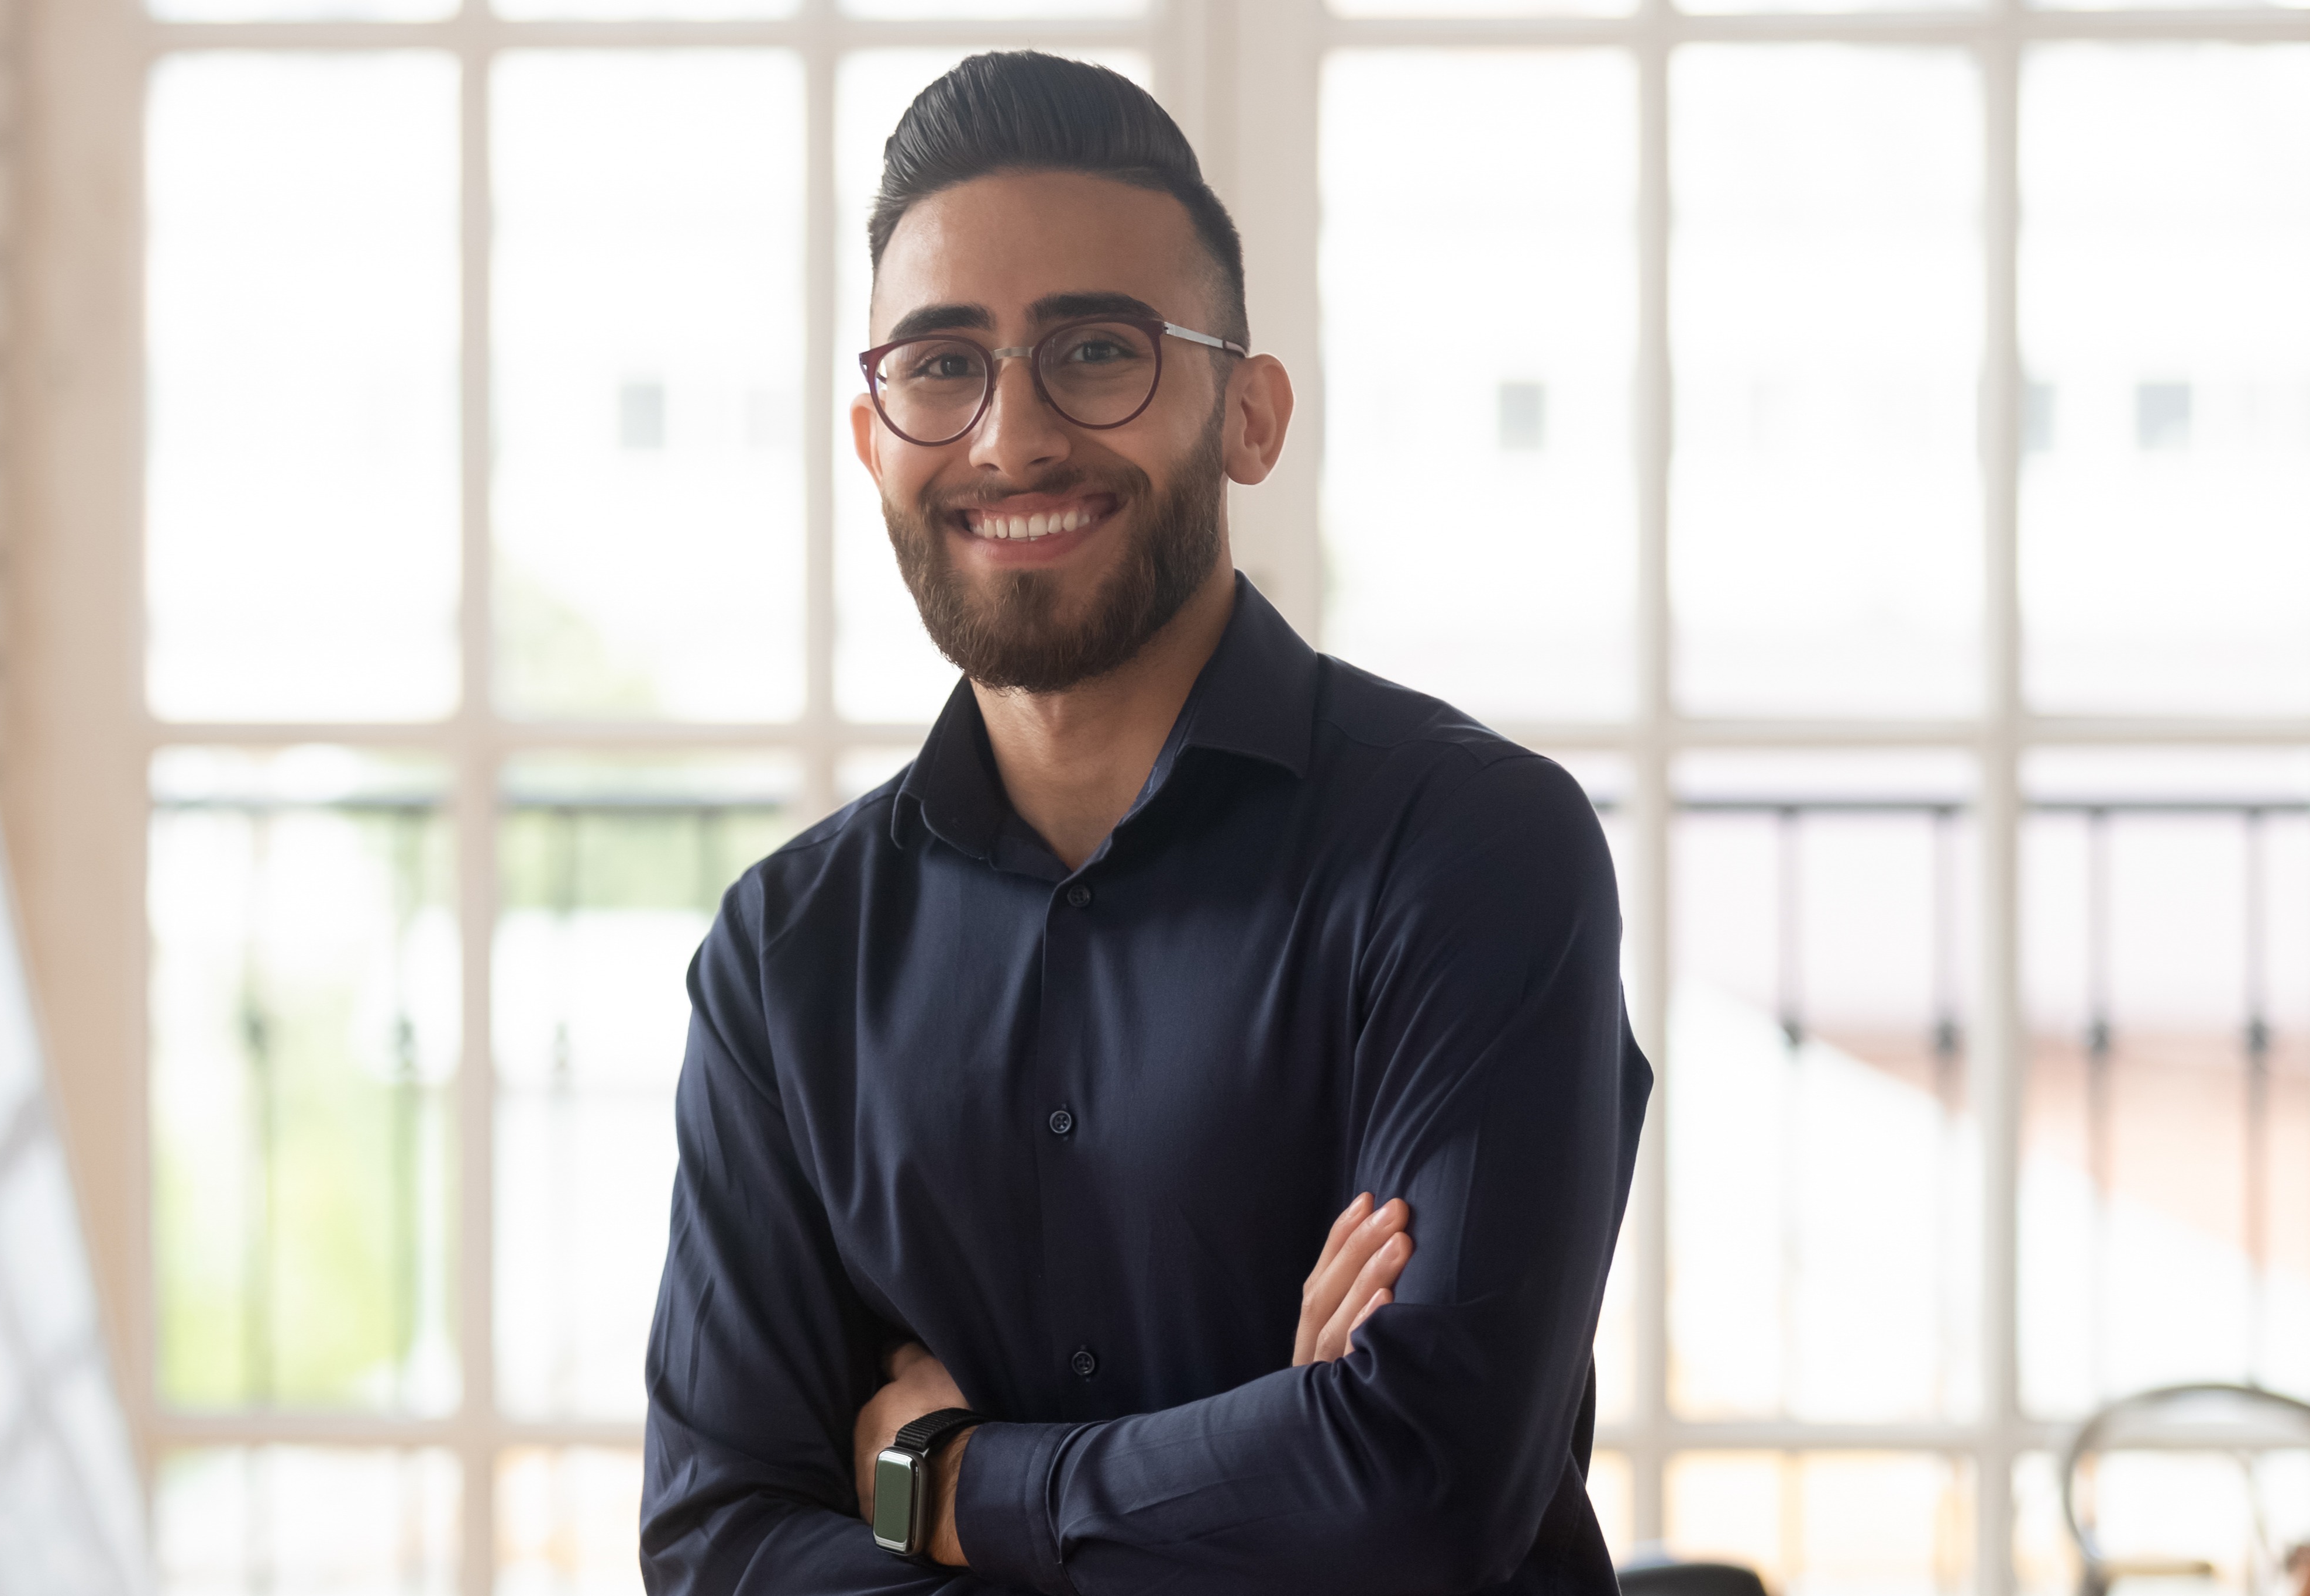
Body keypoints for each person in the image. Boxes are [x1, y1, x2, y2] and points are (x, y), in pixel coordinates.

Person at [638, 50, 1653, 1594]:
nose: (1010, 437)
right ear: (873, 440)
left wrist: (954, 1485)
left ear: (1248, 415)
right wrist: (1267, 1472)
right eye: (939, 364)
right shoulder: (787, 959)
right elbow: (722, 1545)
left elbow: (1420, 1484)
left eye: (1096, 351)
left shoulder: (1473, 854)